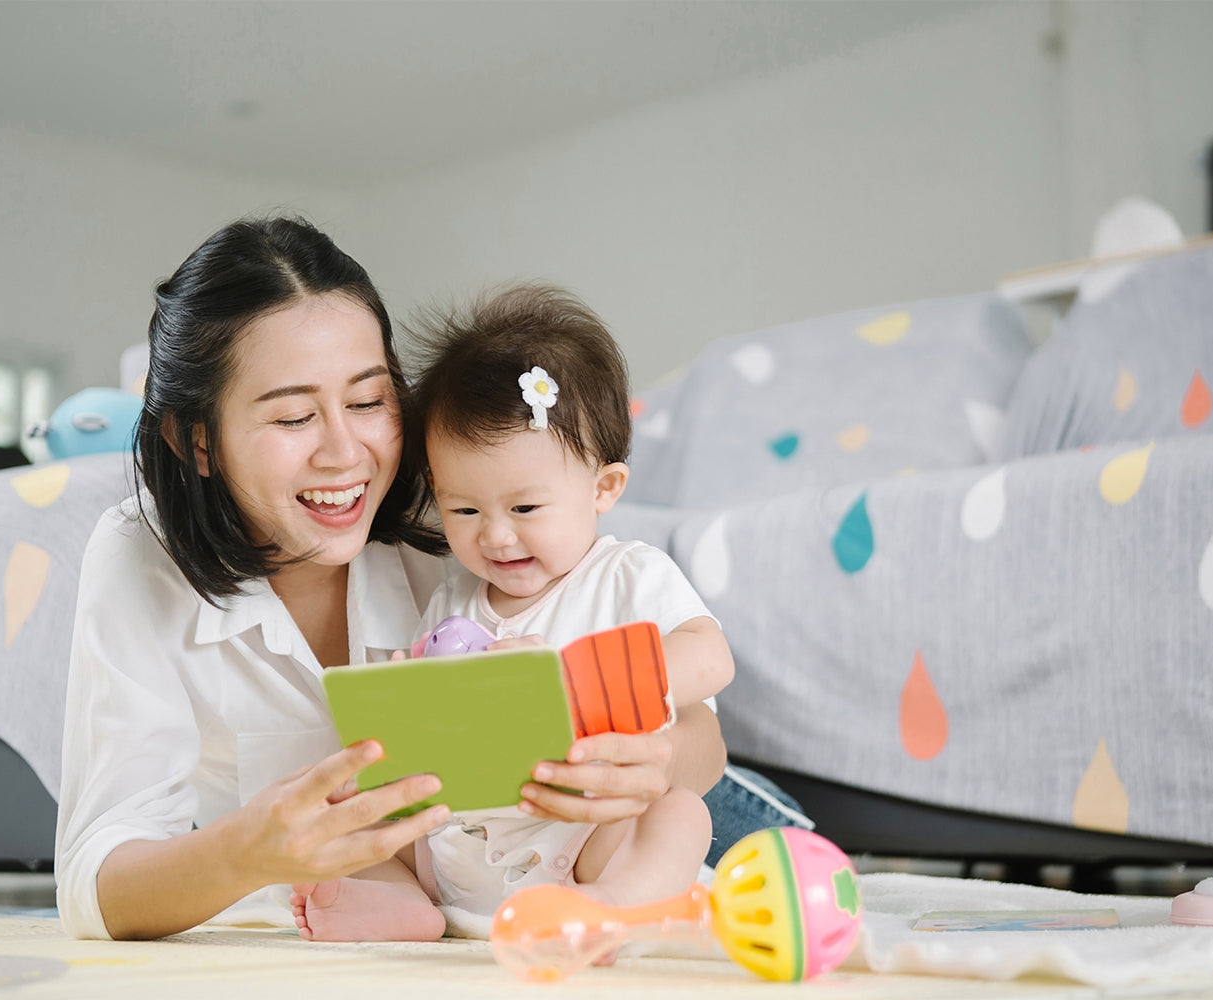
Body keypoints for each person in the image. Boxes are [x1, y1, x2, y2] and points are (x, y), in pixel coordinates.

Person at [53, 217, 730, 941]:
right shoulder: (140, 553)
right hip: (462, 859)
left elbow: (705, 741)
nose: (347, 455)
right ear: (196, 442)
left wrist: (652, 760)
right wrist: (249, 851)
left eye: (371, 401)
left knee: (710, 822)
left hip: (616, 813)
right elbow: (96, 877)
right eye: (292, 417)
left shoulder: (461, 500)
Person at [292, 285, 734, 938]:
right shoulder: (453, 597)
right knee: (364, 812)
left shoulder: (625, 576)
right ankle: (406, 906)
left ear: (603, 487)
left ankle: (610, 911)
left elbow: (710, 656)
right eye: (465, 511)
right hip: (458, 848)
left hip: (583, 844)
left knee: (678, 816)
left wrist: (572, 681)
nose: (495, 537)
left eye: (525, 509)